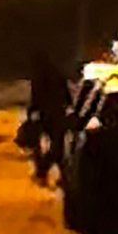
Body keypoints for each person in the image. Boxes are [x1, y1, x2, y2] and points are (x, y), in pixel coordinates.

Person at [23, 50, 71, 187]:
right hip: (56, 112)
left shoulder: (40, 78)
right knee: (58, 145)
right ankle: (56, 174)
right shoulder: (57, 75)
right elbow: (65, 93)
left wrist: (31, 111)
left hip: (47, 113)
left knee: (53, 146)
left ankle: (43, 170)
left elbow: (36, 97)